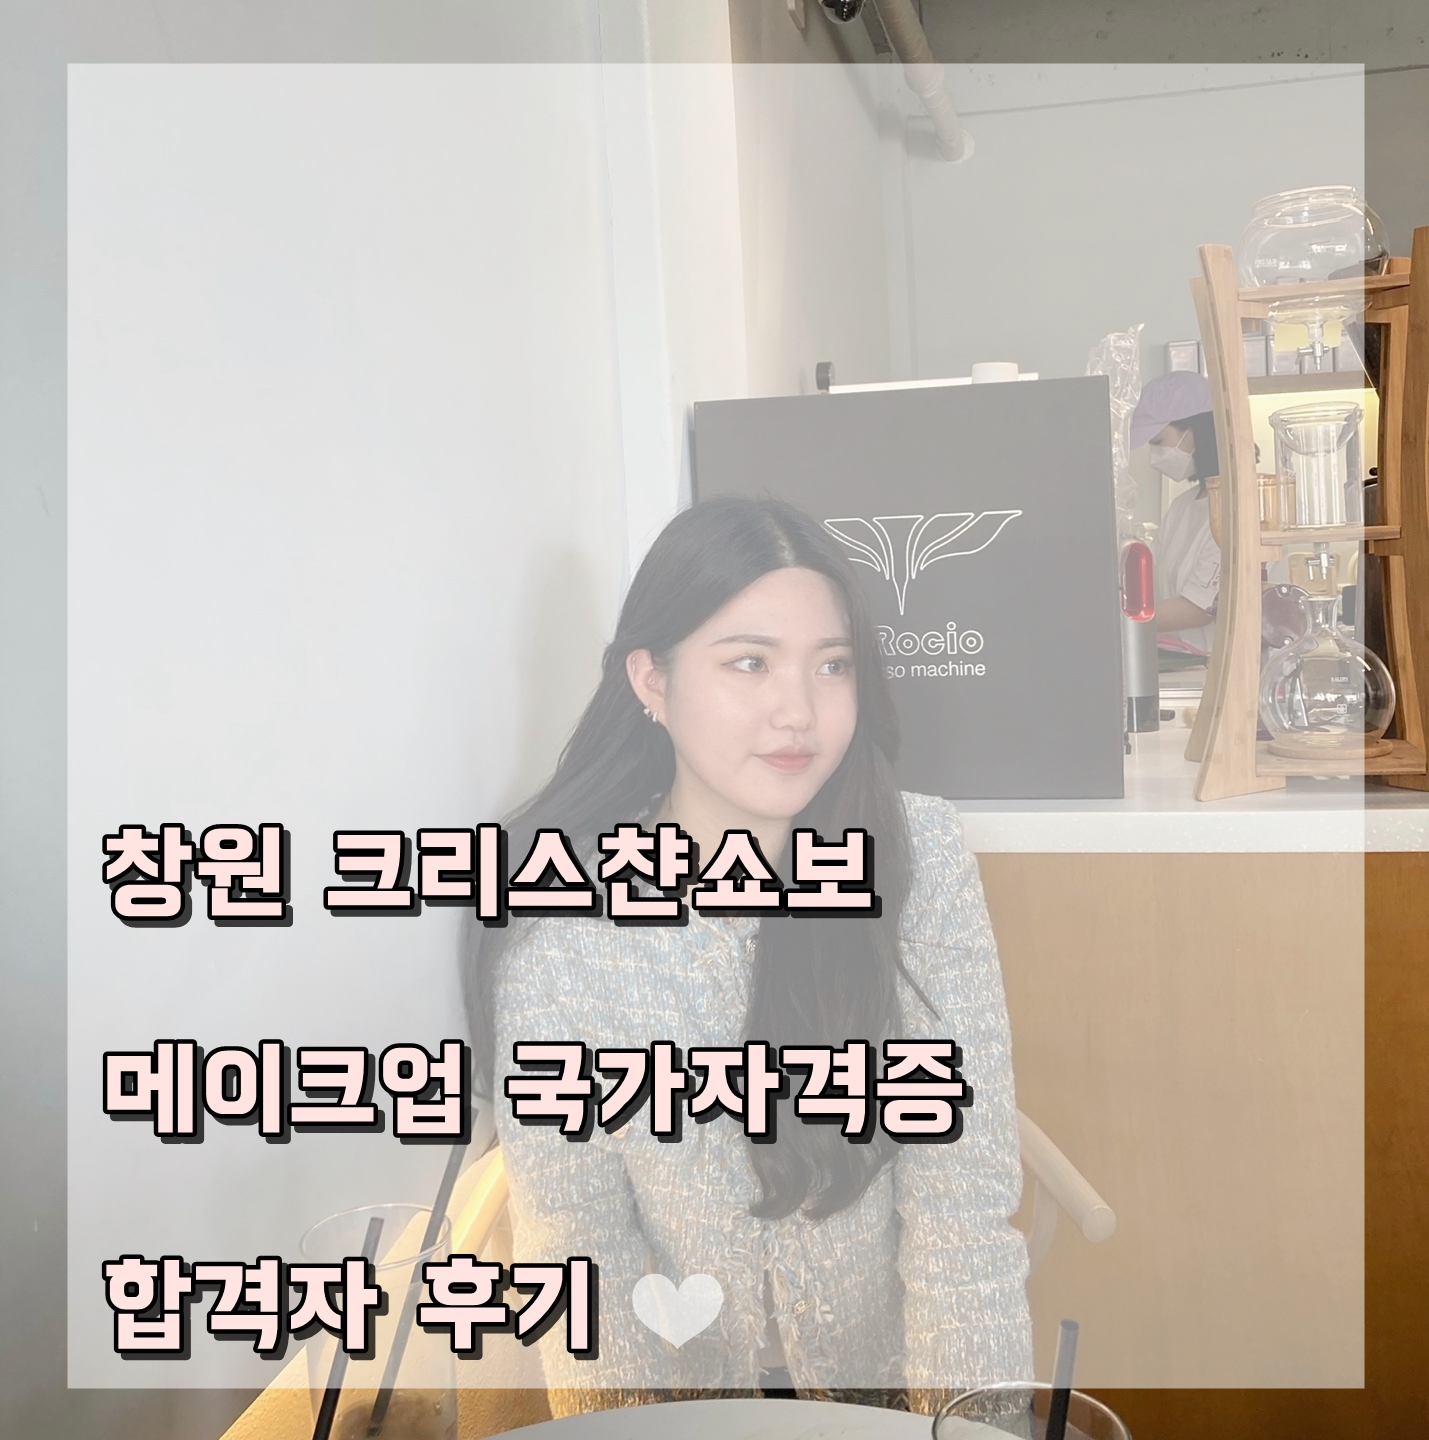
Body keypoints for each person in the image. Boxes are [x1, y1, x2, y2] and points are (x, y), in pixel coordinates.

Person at [466, 497, 1033, 1416]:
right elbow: (579, 1252)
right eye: (749, 663)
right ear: (651, 680)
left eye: (832, 665)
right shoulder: (560, 921)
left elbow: (960, 1215)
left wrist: (970, 1428)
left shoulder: (914, 855)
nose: (798, 712)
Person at [1131, 370, 1222, 659]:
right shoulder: (1182, 506)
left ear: (1193, 432)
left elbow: (1199, 609)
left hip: (1220, 666)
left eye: (1158, 442)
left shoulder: (1237, 506)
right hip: (1182, 663)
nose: (1153, 456)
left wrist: (1119, 621)